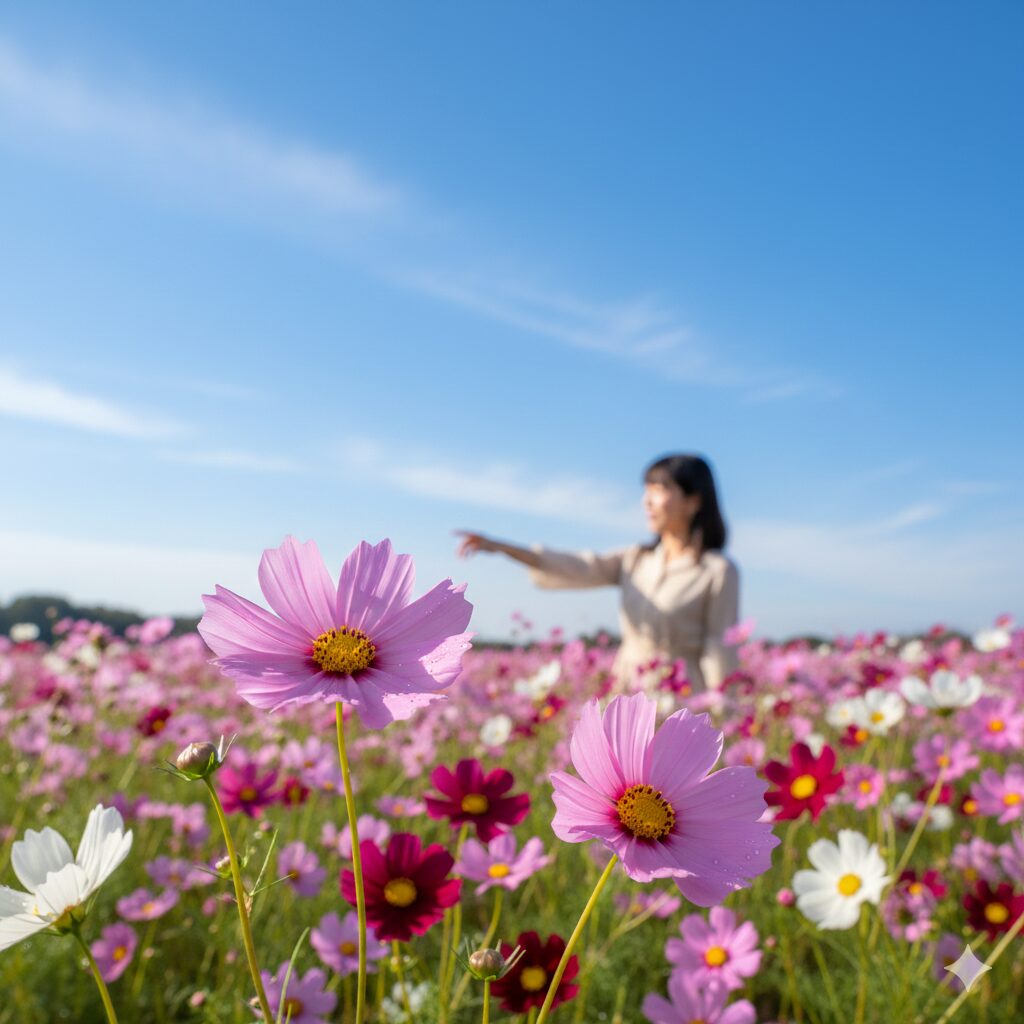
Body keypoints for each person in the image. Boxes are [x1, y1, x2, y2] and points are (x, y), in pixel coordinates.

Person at [454, 453, 740, 695]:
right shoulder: (635, 560)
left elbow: (719, 647)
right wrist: (502, 547)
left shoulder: (716, 571)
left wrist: (722, 707)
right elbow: (576, 566)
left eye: (659, 490)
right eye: (646, 490)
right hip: (629, 685)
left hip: (682, 692)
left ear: (693, 502)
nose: (646, 501)